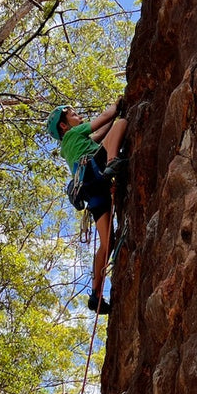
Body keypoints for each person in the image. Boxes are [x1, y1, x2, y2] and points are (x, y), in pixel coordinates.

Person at [47, 99, 127, 314]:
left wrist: (111, 119)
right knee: (122, 124)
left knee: (107, 242)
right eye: (73, 115)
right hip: (95, 169)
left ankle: (96, 294)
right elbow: (105, 119)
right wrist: (116, 105)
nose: (79, 117)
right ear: (64, 126)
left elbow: (100, 135)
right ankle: (112, 162)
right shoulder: (74, 134)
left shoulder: (70, 144)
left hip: (90, 187)